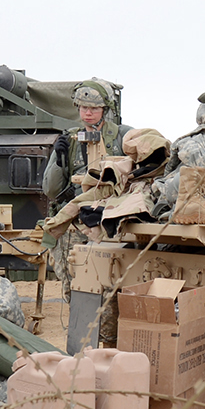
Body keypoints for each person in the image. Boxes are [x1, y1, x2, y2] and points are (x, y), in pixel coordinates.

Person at [41, 79, 129, 304]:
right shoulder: (69, 140)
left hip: (111, 221)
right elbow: (51, 190)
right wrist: (58, 160)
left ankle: (109, 339)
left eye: (94, 108)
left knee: (112, 283)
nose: (88, 113)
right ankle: (82, 336)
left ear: (105, 110)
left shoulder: (122, 136)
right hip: (77, 221)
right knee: (74, 283)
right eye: (84, 108)